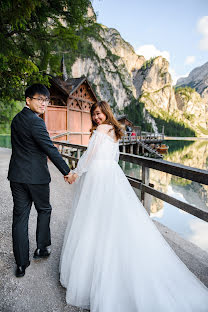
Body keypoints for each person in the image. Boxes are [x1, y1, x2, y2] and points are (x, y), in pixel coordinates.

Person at [60, 101, 208, 311]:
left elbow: (89, 156)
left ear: (106, 113)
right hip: (113, 176)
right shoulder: (115, 132)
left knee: (93, 219)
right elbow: (114, 158)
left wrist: (76, 172)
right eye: (94, 114)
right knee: (113, 219)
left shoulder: (101, 130)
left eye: (99, 113)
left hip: (99, 177)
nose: (96, 117)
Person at [8, 83, 75, 278]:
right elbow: (50, 149)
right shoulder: (36, 121)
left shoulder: (16, 119)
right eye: (40, 99)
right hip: (36, 177)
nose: (44, 103)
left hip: (17, 176)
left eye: (46, 100)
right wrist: (67, 171)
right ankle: (42, 248)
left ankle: (21, 264)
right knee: (44, 209)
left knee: (19, 219)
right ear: (28, 100)